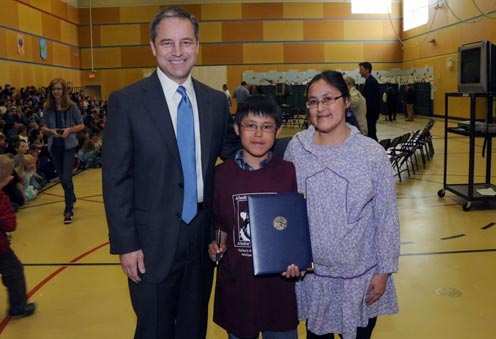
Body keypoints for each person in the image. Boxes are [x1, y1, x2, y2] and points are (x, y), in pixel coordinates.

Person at [101, 6, 239, 339]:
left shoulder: (215, 102)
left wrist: (301, 148)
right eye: (167, 43)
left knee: (194, 328)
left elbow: (234, 154)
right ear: (152, 47)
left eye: (186, 42)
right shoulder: (127, 102)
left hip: (202, 239)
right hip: (150, 244)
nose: (177, 52)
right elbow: (116, 179)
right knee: (154, 330)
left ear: (197, 46)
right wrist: (126, 244)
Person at [284, 70, 400, 339]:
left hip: (361, 278)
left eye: (328, 99)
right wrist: (288, 255)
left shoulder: (371, 154)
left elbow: (386, 217)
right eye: (313, 101)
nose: (320, 108)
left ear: (346, 102)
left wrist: (384, 271)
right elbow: (287, 210)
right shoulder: (297, 149)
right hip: (314, 279)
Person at [208, 94, 299, 339]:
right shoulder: (220, 175)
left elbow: (295, 227)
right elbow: (220, 224)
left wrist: (298, 263)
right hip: (238, 286)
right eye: (250, 126)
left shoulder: (288, 172)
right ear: (237, 128)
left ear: (278, 131)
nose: (258, 135)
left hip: (278, 289)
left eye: (266, 127)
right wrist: (216, 244)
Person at [41, 78, 84, 224]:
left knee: (66, 177)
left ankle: (68, 209)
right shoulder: (47, 108)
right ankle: (71, 196)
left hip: (69, 145)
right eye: (54, 89)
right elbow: (43, 127)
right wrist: (50, 131)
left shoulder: (72, 107)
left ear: (64, 90)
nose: (56, 92)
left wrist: (69, 130)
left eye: (59, 89)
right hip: (55, 145)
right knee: (62, 177)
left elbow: (81, 125)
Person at [0, 154, 36, 318]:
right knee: (14, 271)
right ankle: (17, 306)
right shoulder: (2, 199)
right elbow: (10, 225)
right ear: (7, 179)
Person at [359, 62, 381, 141]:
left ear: (367, 70)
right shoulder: (369, 81)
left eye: (361, 70)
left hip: (371, 113)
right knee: (371, 132)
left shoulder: (371, 82)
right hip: (371, 112)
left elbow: (370, 100)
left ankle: (375, 150)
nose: (359, 71)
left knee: (371, 133)